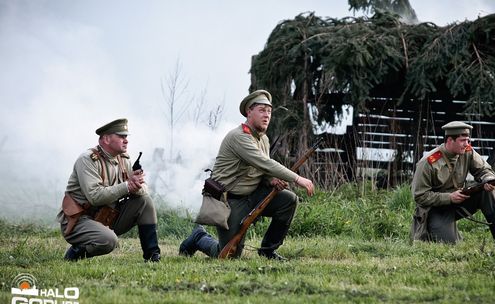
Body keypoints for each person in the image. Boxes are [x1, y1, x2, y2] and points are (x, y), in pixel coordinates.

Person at [179, 90, 315, 260]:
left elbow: (262, 170)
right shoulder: (239, 137)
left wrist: (271, 180)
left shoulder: (263, 139)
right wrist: (297, 178)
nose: (267, 115)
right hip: (230, 201)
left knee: (288, 200)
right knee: (227, 255)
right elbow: (264, 162)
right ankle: (199, 237)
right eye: (262, 110)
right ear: (249, 112)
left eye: (269, 111)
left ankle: (268, 251)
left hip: (253, 194)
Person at [57, 118, 161, 261]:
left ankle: (153, 256)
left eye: (126, 137)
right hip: (80, 219)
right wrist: (127, 186)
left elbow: (143, 190)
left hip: (107, 216)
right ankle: (76, 252)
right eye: (121, 136)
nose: (126, 140)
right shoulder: (87, 160)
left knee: (145, 201)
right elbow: (95, 196)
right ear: (106, 139)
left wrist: (137, 186)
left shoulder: (124, 159)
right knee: (108, 241)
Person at [410, 121, 495, 246]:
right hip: (435, 210)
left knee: (487, 193)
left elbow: (484, 170)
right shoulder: (428, 163)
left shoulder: (467, 152)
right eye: (462, 140)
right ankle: (434, 231)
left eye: (468, 140)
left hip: (459, 202)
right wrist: (449, 197)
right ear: (450, 140)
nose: (467, 144)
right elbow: (419, 196)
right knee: (449, 246)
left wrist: (488, 179)